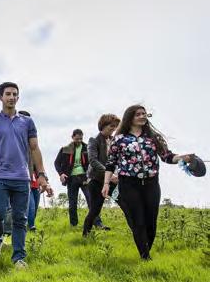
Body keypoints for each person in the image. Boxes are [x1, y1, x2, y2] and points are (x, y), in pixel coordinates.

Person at [0, 82, 52, 269]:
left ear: (18, 97)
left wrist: (41, 175)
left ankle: (18, 258)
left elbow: (35, 148)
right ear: (0, 97)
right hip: (1, 177)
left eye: (15, 94)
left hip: (22, 178)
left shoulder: (27, 123)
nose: (12, 97)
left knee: (20, 219)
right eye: (8, 94)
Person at [102, 105, 192, 260]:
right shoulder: (119, 139)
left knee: (151, 222)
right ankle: (145, 256)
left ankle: (145, 249)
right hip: (129, 183)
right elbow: (111, 163)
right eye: (139, 114)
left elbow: (167, 156)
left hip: (151, 183)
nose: (143, 116)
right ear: (130, 117)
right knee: (138, 220)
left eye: (144, 114)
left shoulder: (152, 138)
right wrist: (106, 184)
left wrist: (182, 158)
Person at [0, 111, 41, 232]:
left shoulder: (31, 145)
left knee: (31, 209)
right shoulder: (4, 141)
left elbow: (37, 164)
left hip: (28, 180)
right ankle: (5, 233)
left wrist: (43, 179)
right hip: (5, 179)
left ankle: (25, 232)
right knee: (4, 211)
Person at [54, 129, 105, 228]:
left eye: (81, 139)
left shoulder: (87, 148)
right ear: (72, 137)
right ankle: (74, 225)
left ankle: (98, 223)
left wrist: (91, 176)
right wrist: (61, 174)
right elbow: (56, 163)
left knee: (91, 201)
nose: (79, 141)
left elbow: (94, 162)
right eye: (77, 139)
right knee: (72, 204)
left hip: (85, 177)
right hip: (71, 178)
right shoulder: (65, 149)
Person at [83, 114, 121, 236]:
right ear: (103, 126)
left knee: (124, 202)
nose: (113, 129)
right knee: (95, 209)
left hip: (112, 180)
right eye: (111, 127)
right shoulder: (94, 140)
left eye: (115, 127)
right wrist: (109, 175)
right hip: (96, 180)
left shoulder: (114, 140)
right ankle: (86, 234)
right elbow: (93, 161)